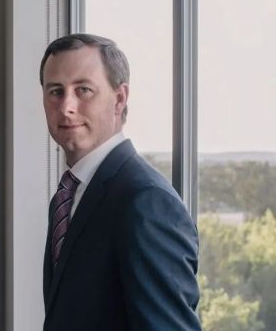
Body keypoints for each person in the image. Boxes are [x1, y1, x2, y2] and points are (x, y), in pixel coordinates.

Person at [40, 33, 201, 330]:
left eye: (84, 90)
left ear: (119, 99)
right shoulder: (66, 196)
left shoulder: (148, 201)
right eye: (55, 91)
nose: (66, 107)